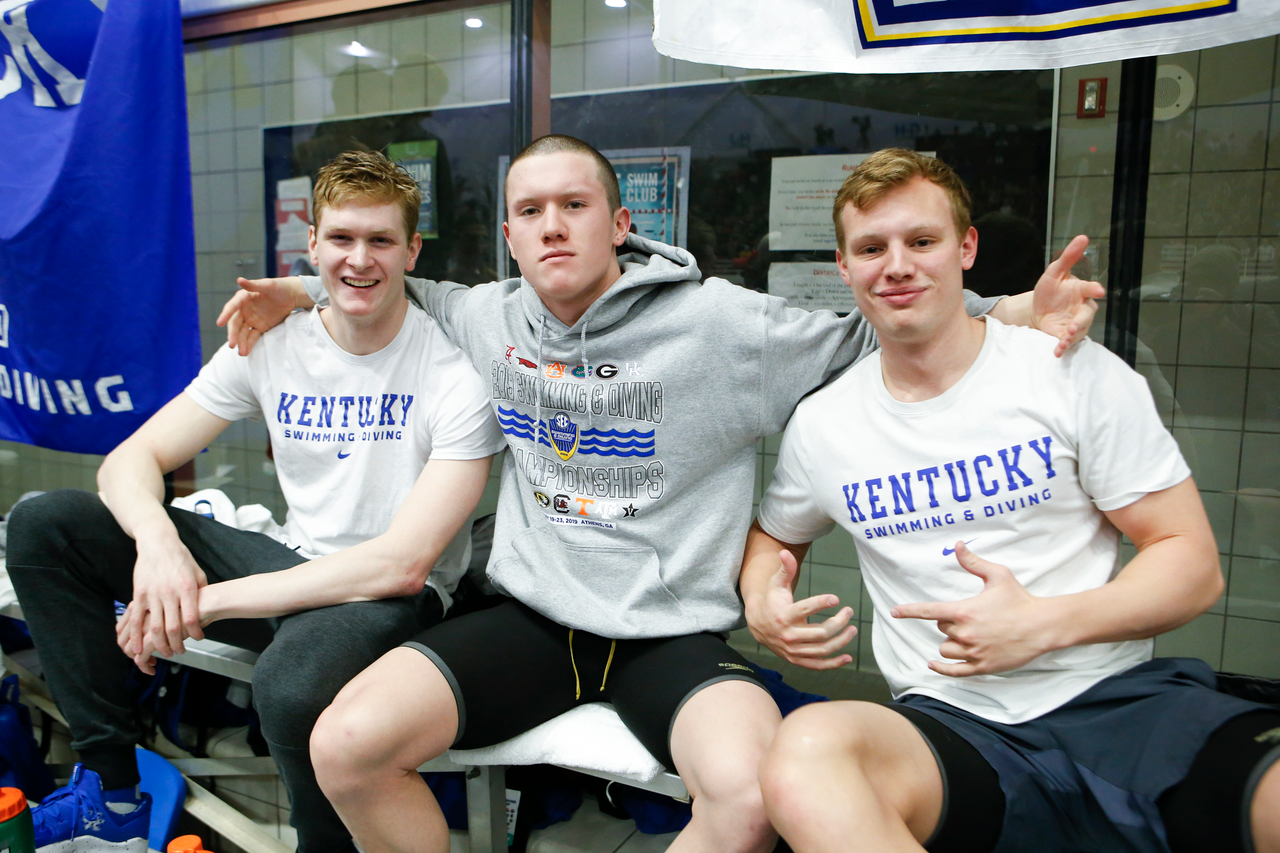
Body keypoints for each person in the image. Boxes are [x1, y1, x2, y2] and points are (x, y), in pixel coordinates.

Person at [218, 134, 1102, 853]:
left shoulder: (721, 324)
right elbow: (397, 282)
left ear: (621, 223)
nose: (554, 226)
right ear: (512, 237)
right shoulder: (490, 315)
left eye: (576, 206)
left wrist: (1020, 308)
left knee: (753, 798)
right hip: (527, 619)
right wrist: (295, 290)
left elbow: (870, 329)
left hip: (671, 633)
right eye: (531, 211)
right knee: (343, 747)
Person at [745, 148, 1280, 853]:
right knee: (807, 752)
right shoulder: (825, 424)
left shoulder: (1068, 371)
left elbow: (1191, 562)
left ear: (965, 249)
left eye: (922, 240)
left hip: (1117, 700)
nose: (897, 264)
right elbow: (776, 537)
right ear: (844, 268)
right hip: (951, 724)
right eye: (871, 247)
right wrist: (763, 601)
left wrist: (1042, 624)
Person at [6, 150, 505, 853]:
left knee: (291, 684)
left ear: (411, 250)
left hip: (390, 597)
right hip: (289, 564)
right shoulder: (271, 344)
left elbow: (400, 564)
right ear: (311, 243)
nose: (359, 260)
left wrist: (201, 602)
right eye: (341, 238)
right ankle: (112, 794)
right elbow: (130, 460)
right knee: (44, 526)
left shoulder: (453, 374)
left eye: (381, 241)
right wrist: (159, 549)